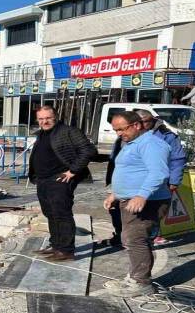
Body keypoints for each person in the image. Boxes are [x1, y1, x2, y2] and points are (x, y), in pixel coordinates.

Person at [102, 111, 172, 296]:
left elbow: (158, 173)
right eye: (115, 130)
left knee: (135, 239)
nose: (118, 134)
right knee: (131, 239)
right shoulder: (132, 143)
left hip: (149, 202)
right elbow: (130, 171)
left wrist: (141, 195)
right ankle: (135, 276)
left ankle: (141, 282)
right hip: (131, 200)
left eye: (121, 129)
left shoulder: (151, 144)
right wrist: (115, 194)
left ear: (136, 125)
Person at [27, 106, 97, 262]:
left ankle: (66, 251)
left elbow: (88, 150)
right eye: (41, 119)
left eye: (48, 118)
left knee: (61, 214)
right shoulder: (42, 134)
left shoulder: (68, 131)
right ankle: (56, 245)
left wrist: (73, 171)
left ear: (55, 117)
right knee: (50, 214)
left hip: (59, 179)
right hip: (43, 180)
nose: (44, 121)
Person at [134, 109, 187, 246]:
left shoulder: (167, 136)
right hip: (137, 179)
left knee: (155, 211)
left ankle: (151, 237)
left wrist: (174, 181)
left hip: (161, 180)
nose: (140, 125)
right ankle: (136, 236)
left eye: (143, 122)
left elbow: (178, 159)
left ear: (151, 120)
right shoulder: (132, 133)